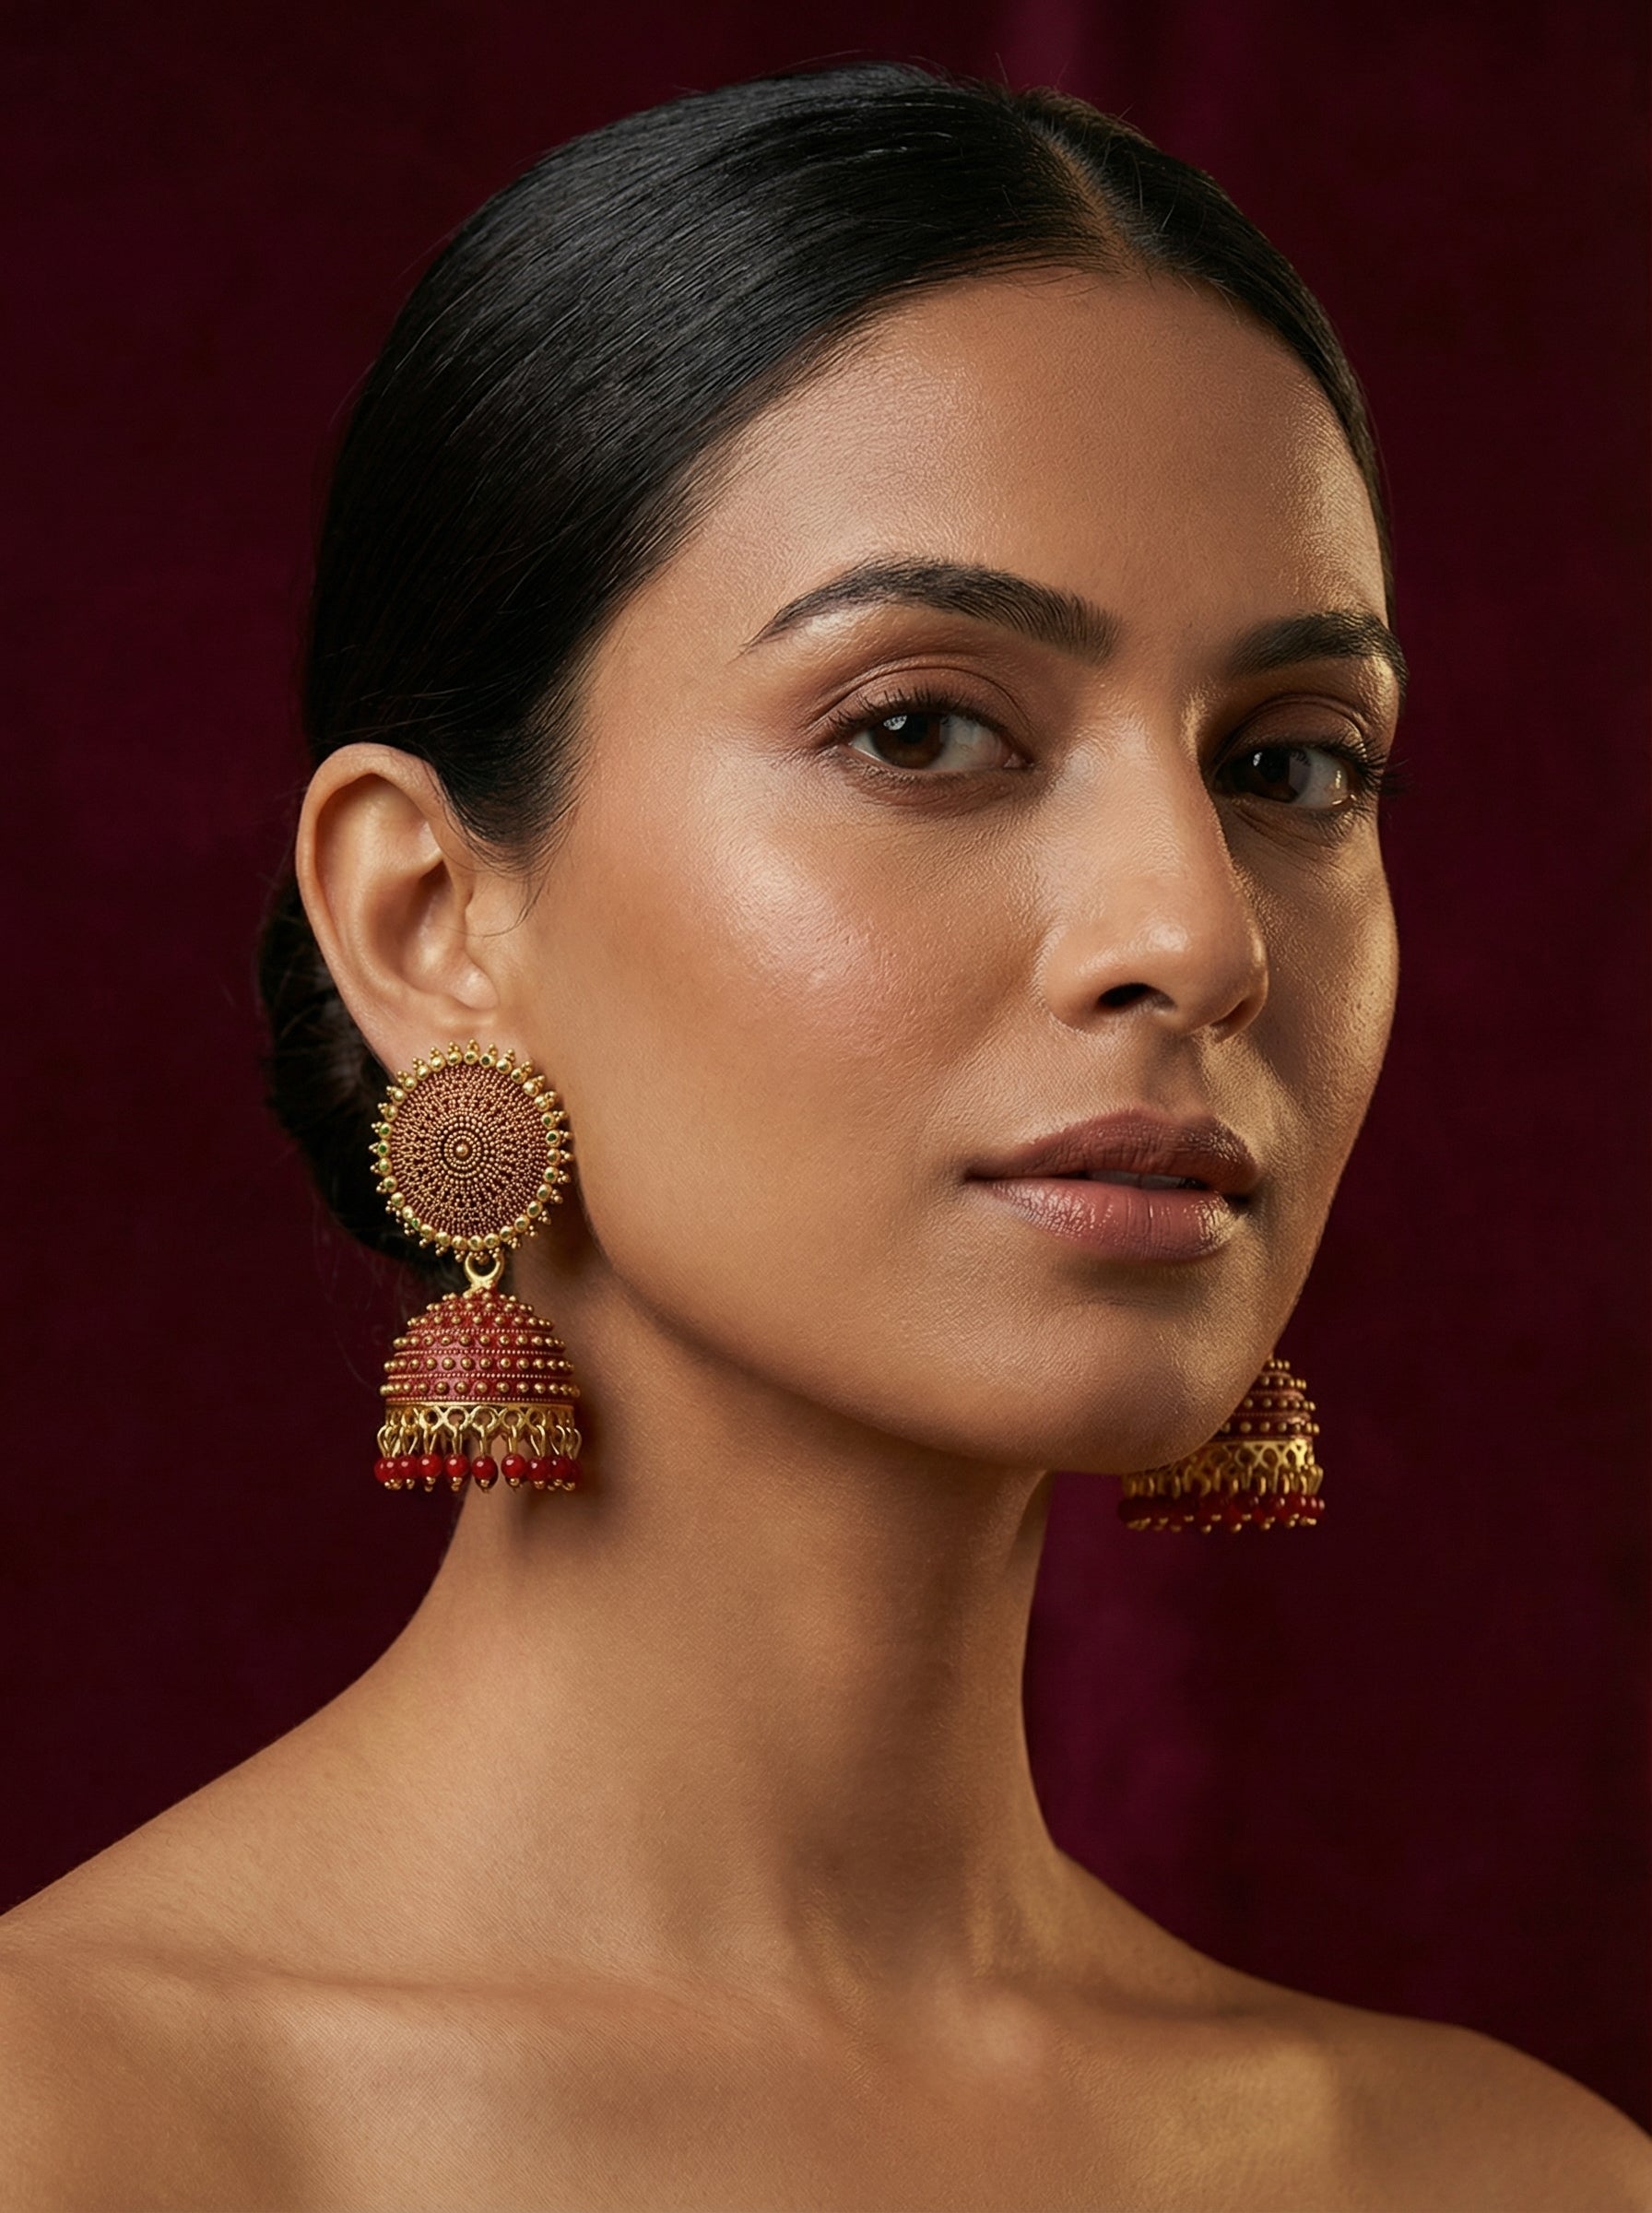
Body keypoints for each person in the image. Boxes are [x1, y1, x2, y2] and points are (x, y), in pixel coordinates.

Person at [2, 60, 1646, 2212]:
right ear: (428, 919)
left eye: (1295, 764)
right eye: (921, 727)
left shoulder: (1506, 2179)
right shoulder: (79, 2129)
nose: (1196, 930)